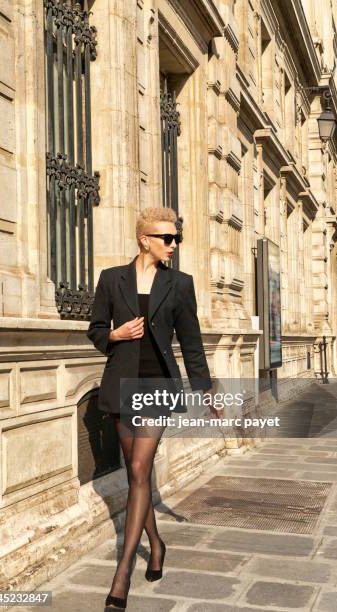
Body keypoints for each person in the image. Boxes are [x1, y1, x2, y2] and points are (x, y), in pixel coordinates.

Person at [87, 207, 216, 609]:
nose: (173, 245)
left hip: (158, 385)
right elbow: (94, 330)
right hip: (122, 386)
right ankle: (156, 544)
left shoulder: (180, 284)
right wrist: (116, 333)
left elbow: (191, 341)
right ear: (145, 239)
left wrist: (205, 389)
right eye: (166, 238)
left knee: (139, 470)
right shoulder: (112, 279)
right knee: (136, 477)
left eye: (176, 238)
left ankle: (122, 571)